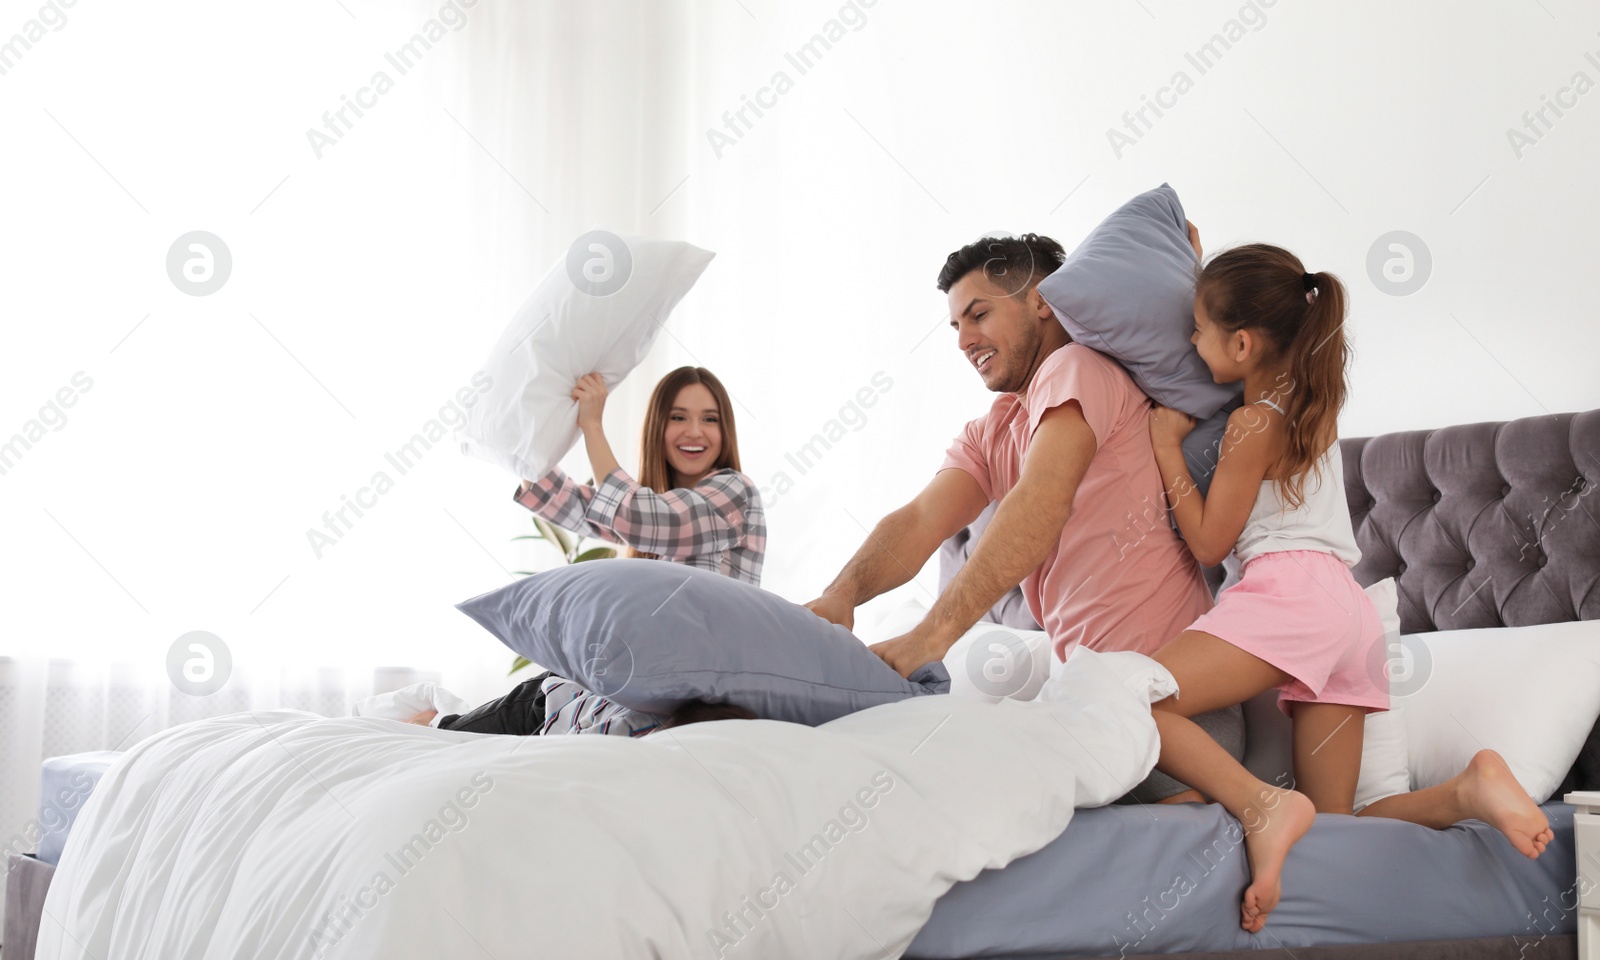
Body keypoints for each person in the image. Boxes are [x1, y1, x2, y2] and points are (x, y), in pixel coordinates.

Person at [1142, 243, 1554, 933]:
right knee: (1335, 829)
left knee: (1134, 698)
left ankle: (1250, 804)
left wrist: (1162, 449)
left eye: (1197, 327)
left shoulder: (1251, 425)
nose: (1188, 339)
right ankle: (1466, 790)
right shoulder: (1311, 410)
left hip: (1288, 599)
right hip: (1347, 609)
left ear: (1241, 343)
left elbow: (1212, 543)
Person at [805, 232, 1239, 802]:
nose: (964, 339)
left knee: (947, 789)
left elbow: (1042, 499)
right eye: (955, 326)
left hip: (1173, 718)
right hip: (1096, 712)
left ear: (1041, 301)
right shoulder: (996, 427)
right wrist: (841, 597)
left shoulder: (1078, 368)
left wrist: (931, 636)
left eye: (978, 314)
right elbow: (919, 520)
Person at [422, 365, 766, 736]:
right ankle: (429, 727)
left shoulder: (734, 492)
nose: (694, 431)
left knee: (472, 726)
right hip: (632, 685)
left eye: (709, 419)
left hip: (681, 691)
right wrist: (534, 435)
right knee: (468, 726)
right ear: (658, 429)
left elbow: (641, 516)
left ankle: (431, 728)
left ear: (724, 430)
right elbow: (575, 504)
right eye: (678, 417)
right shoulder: (662, 509)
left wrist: (593, 425)